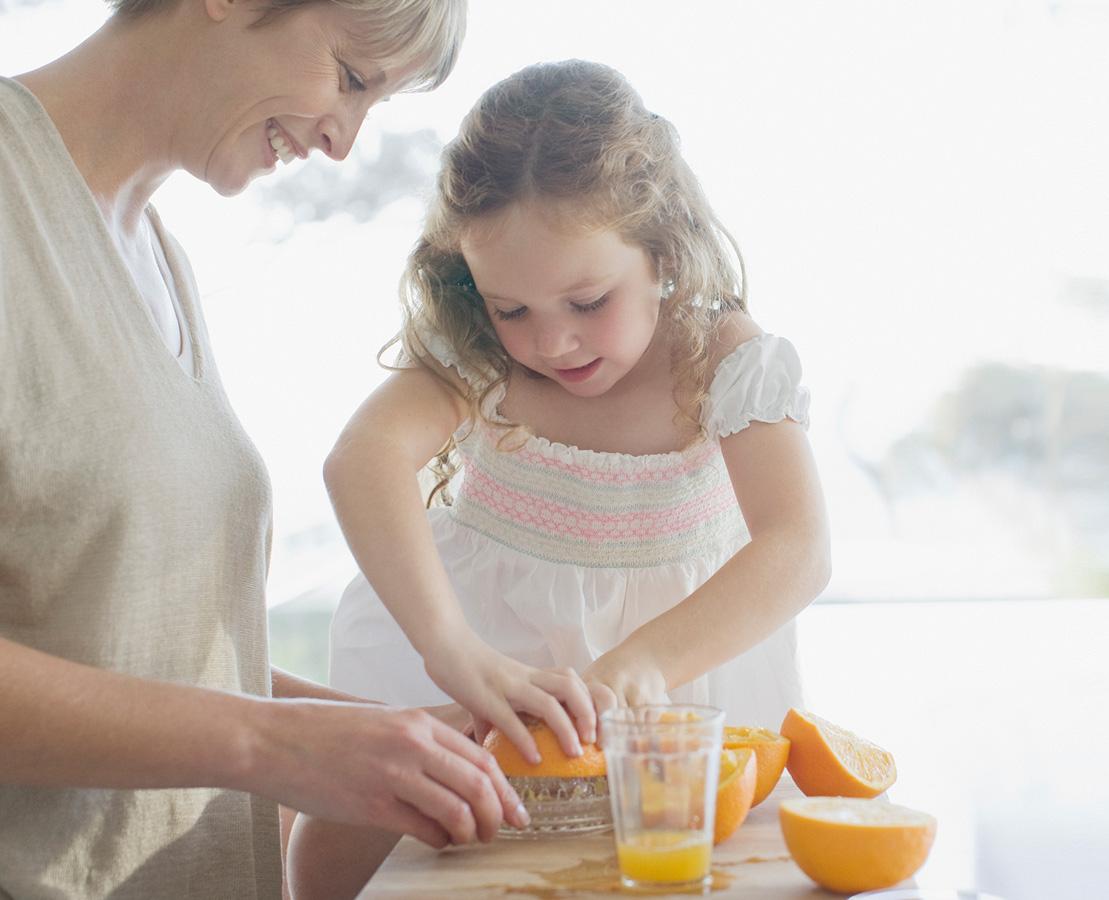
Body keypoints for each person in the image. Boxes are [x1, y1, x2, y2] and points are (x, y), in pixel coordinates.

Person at [0, 3, 593, 898]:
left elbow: (140, 656)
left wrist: (414, 740)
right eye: (352, 77)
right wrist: (274, 746)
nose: (342, 142)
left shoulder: (158, 257)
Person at [288, 59, 832, 895]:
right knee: (388, 861)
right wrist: (452, 653)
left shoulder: (720, 355)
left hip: (682, 674)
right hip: (484, 662)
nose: (551, 345)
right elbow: (361, 458)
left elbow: (797, 547)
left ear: (660, 251)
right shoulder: (474, 355)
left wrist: (639, 669)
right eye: (513, 310)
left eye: (587, 302)